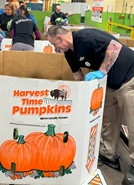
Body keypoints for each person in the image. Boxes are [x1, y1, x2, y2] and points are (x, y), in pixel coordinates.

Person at [46, 26, 134, 185]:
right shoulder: (69, 53)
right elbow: (78, 76)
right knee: (108, 117)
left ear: (60, 39)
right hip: (109, 83)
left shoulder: (86, 37)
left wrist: (101, 71)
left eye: (54, 44)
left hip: (129, 77)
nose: (55, 49)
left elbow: (115, 47)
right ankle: (109, 154)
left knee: (132, 122)